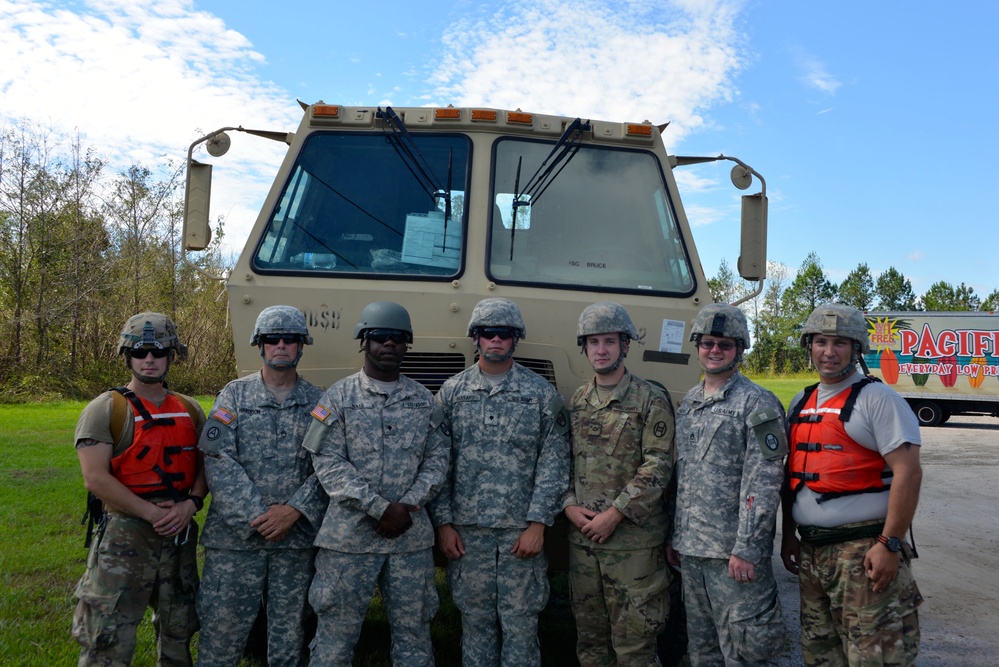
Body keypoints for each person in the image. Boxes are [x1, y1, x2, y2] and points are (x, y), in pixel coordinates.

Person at [302, 301, 449, 666]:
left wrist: (408, 505)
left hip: (409, 539)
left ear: (407, 345)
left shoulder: (424, 401)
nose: (389, 344)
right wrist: (380, 508)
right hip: (348, 541)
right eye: (380, 337)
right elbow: (327, 461)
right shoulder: (337, 397)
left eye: (398, 339)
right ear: (364, 341)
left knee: (415, 634)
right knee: (334, 637)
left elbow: (438, 459)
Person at [429, 297, 570, 667]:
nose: (495, 340)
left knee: (521, 627)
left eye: (503, 334)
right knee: (475, 624)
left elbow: (554, 464)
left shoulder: (541, 395)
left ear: (515, 339)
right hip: (467, 534)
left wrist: (538, 525)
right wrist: (443, 524)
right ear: (475, 338)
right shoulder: (451, 394)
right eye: (487, 333)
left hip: (519, 534)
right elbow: (437, 464)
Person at [781, 303, 923, 666]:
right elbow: (791, 476)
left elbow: (908, 471)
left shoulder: (878, 399)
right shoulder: (801, 401)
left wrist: (890, 543)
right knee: (820, 656)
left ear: (856, 348)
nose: (829, 352)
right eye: (821, 342)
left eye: (840, 343)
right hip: (813, 551)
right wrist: (788, 536)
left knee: (875, 657)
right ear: (808, 345)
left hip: (864, 553)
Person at [72, 312, 207, 666]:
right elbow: (96, 479)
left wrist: (190, 506)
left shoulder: (190, 409)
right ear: (127, 356)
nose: (150, 359)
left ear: (172, 356)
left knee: (179, 629)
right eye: (141, 352)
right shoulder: (105, 409)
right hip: (125, 535)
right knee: (109, 632)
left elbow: (206, 467)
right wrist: (149, 513)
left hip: (178, 532)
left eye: (159, 351)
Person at [195, 305, 326, 667]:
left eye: (290, 339)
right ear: (260, 345)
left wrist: (293, 511)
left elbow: (329, 465)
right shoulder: (233, 396)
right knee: (222, 632)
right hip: (236, 542)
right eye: (272, 339)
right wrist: (257, 516)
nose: (281, 345)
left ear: (302, 346)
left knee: (289, 636)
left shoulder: (320, 402)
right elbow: (216, 457)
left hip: (294, 541)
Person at [667, 303, 788, 666]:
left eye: (724, 344)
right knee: (702, 652)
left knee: (745, 653)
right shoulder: (689, 402)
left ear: (740, 349)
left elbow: (764, 481)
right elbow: (684, 477)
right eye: (707, 343)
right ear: (697, 346)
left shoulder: (759, 402)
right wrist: (677, 537)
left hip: (733, 556)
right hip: (693, 553)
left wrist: (747, 548)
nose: (714, 350)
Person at [562, 302, 674, 667]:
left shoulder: (649, 398)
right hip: (584, 544)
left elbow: (658, 466)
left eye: (609, 341)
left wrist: (615, 513)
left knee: (635, 647)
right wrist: (567, 505)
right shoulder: (578, 401)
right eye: (593, 342)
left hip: (632, 546)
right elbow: (564, 461)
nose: (601, 350)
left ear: (625, 345)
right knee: (591, 643)